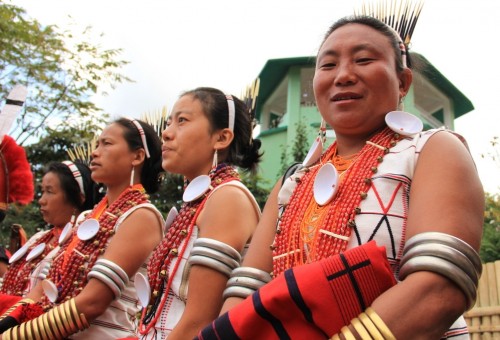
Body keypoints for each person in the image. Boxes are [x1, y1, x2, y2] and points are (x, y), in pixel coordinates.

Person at [198, 11, 484, 340]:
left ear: (402, 82)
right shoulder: (292, 182)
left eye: (363, 59)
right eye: (328, 65)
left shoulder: (432, 150)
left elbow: (439, 289)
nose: (343, 75)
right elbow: (247, 289)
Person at [0, 117, 165, 339]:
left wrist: (14, 336)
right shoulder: (88, 217)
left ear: (137, 156)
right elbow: (47, 285)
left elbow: (93, 303)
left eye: (107, 144)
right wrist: (9, 320)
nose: (95, 152)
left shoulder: (142, 216)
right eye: (97, 145)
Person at [136, 87, 262, 339]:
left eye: (182, 121)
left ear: (221, 138)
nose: (166, 132)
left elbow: (200, 321)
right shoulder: (198, 203)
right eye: (169, 121)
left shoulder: (227, 198)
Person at [0, 160, 101, 296]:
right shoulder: (38, 238)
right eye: (42, 191)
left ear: (78, 197)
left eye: (50, 191)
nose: (41, 200)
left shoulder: (84, 245)